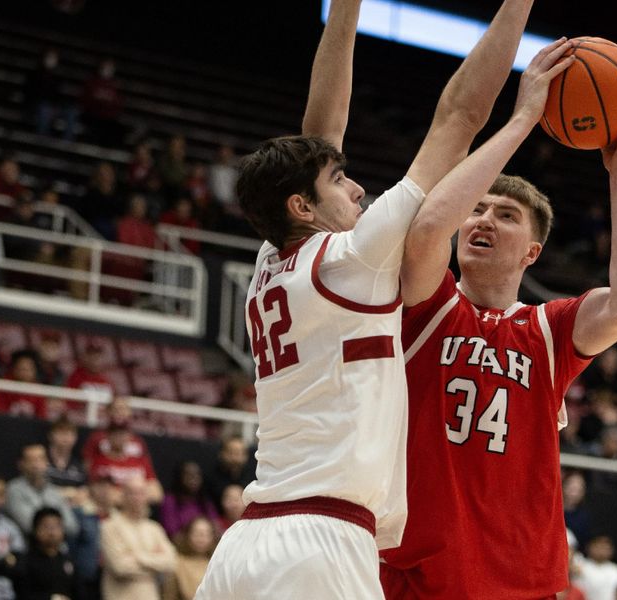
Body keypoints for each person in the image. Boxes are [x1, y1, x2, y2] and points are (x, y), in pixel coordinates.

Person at [196, 0, 539, 597]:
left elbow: (318, 134)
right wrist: (523, 114)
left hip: (246, 544)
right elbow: (458, 118)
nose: (358, 187)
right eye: (339, 181)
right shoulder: (353, 257)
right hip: (320, 543)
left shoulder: (269, 260)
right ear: (302, 206)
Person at [380, 35, 617, 600]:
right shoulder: (427, 304)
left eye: (506, 215)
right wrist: (523, 119)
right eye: (476, 209)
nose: (484, 219)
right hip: (417, 569)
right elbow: (429, 226)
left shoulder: (550, 331)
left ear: (532, 253)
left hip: (520, 576)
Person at [100, 476, 176, 600]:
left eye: (141, 493)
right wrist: (155, 562)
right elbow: (120, 567)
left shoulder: (154, 528)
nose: (137, 498)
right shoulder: (109, 526)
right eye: (132, 493)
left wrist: (137, 557)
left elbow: (171, 563)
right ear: (122, 495)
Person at [4, 444, 79, 538]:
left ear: (47, 463)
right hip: (27, 546)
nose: (36, 465)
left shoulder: (53, 491)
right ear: (21, 464)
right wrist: (54, 528)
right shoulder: (13, 489)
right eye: (30, 460)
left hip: (57, 546)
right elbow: (28, 526)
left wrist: (53, 530)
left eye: (40, 459)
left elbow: (72, 526)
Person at [12, 507, 78, 600]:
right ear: (35, 530)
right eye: (46, 526)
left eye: (57, 526)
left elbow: (79, 592)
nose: (52, 532)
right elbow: (23, 594)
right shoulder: (25, 561)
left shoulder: (68, 561)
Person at [159, 460, 219, 539]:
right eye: (189, 475)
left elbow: (216, 529)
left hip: (208, 547)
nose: (194, 479)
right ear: (179, 477)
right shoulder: (170, 501)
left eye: (197, 475)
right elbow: (173, 534)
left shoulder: (205, 501)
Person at [163, 516, 217, 600]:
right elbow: (169, 595)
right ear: (187, 535)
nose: (201, 538)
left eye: (206, 534)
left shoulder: (217, 563)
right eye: (197, 533)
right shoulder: (177, 562)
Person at [0, 477, 25, 600]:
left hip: (5, 593)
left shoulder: (10, 527)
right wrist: (5, 562)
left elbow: (19, 561)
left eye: (0, 493)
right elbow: (9, 562)